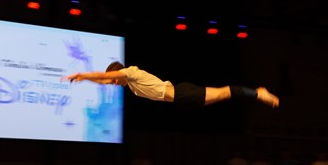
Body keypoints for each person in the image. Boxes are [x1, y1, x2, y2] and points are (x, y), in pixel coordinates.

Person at [65, 62, 279, 108]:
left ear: (117, 73)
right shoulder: (129, 84)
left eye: (114, 80)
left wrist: (83, 73)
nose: (112, 84)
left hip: (181, 93)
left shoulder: (130, 72)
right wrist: (84, 79)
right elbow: (103, 80)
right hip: (181, 97)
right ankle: (256, 93)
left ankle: (258, 93)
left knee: (224, 93)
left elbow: (105, 76)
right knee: (222, 95)